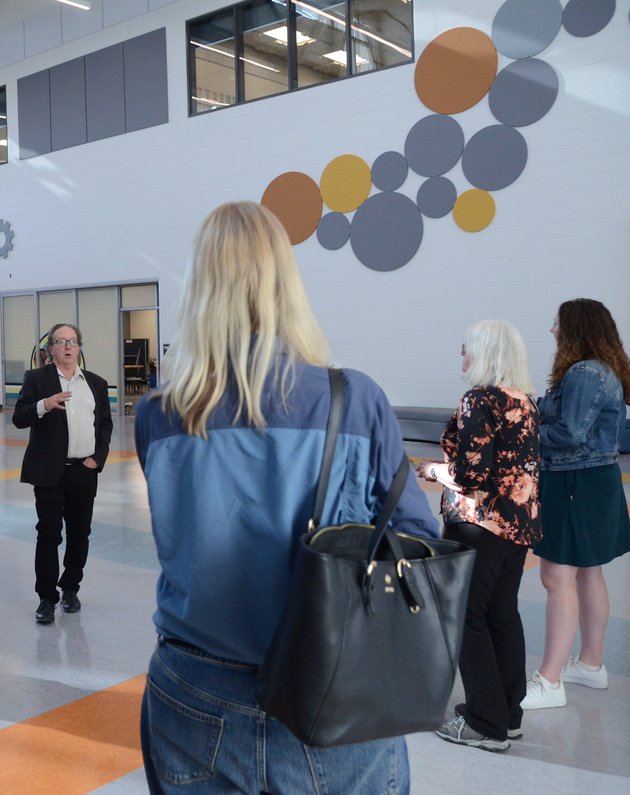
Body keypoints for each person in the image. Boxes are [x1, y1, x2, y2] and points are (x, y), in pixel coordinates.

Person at [135, 202, 436, 794]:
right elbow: (417, 541)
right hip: (331, 684)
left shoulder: (158, 415)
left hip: (193, 683)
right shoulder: (354, 399)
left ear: (201, 288)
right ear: (284, 282)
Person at [416, 320, 541, 752]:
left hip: (479, 524)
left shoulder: (478, 400)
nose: (462, 356)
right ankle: (508, 714)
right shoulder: (526, 402)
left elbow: (471, 474)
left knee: (468, 617)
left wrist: (433, 471)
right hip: (517, 525)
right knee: (502, 613)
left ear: (484, 353)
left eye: (466, 348)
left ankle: (485, 723)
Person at [521, 298, 630, 710]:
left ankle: (549, 681)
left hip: (575, 480)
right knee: (588, 573)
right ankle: (590, 664)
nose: (552, 330)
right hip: (592, 480)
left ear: (575, 328)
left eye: (557, 323)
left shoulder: (585, 372)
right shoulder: (599, 370)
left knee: (556, 576)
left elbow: (569, 433)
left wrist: (524, 431)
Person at [12, 324, 113, 625]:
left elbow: (105, 425)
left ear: (79, 347)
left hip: (85, 470)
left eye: (72, 341)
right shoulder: (36, 379)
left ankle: (70, 588)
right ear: (51, 349)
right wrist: (44, 405)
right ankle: (46, 598)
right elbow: (19, 417)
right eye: (61, 342)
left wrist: (97, 458)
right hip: (49, 471)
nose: (67, 346)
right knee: (49, 534)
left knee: (80, 534)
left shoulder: (96, 383)